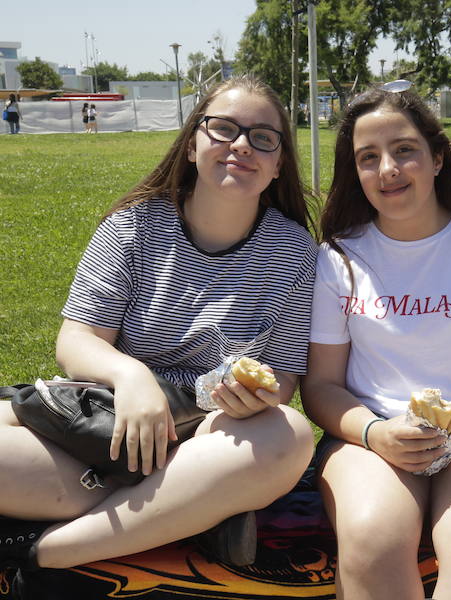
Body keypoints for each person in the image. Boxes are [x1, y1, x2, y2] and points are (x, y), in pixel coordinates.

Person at [0, 75, 316, 573]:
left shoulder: (296, 254)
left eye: (262, 137)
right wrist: (133, 378)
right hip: (107, 428)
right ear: (193, 144)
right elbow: (78, 338)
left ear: (278, 164)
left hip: (211, 439)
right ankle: (198, 513)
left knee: (290, 437)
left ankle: (44, 552)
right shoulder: (135, 225)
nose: (241, 146)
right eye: (224, 129)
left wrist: (257, 398)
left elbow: (285, 376)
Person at [301, 84, 451, 599]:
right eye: (368, 157)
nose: (387, 168)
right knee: (372, 540)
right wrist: (375, 433)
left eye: (404, 150)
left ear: (437, 158)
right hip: (369, 438)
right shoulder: (338, 259)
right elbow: (321, 387)